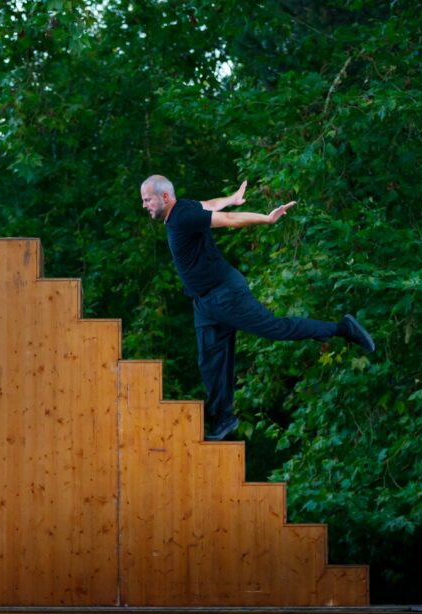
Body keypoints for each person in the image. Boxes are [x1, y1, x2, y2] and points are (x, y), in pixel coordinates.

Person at [139, 174, 375, 441]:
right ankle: (222, 419)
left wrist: (266, 218)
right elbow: (209, 204)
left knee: (275, 328)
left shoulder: (182, 217)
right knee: (210, 362)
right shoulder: (184, 209)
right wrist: (231, 199)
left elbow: (227, 220)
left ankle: (341, 328)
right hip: (205, 302)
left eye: (147, 200)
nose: (145, 205)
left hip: (225, 294)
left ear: (165, 197)